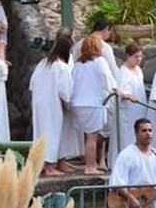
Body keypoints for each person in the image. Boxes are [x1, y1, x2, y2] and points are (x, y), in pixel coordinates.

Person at [30, 28, 75, 177]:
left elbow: (32, 84)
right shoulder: (61, 67)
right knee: (51, 133)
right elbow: (65, 92)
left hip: (40, 102)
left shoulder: (43, 63)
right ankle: (49, 166)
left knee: (41, 133)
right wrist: (69, 104)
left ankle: (43, 164)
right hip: (52, 104)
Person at [70, 35, 117, 175]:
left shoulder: (78, 64)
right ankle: (90, 166)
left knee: (86, 135)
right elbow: (108, 80)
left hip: (77, 104)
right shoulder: (100, 62)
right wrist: (116, 90)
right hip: (92, 104)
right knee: (92, 137)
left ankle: (90, 162)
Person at [110, 43, 147, 168]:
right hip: (127, 110)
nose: (139, 59)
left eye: (140, 57)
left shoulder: (138, 70)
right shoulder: (123, 72)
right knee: (126, 136)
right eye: (136, 57)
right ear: (128, 56)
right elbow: (119, 90)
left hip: (138, 108)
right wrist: (127, 95)